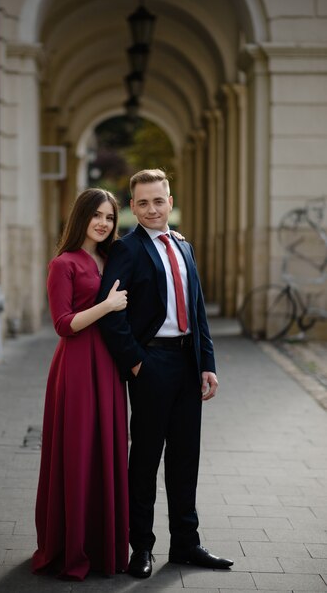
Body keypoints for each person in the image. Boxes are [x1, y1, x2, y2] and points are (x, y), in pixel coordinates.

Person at [98, 169, 233, 578]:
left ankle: (186, 545)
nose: (152, 209)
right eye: (142, 203)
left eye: (158, 201)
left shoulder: (184, 246)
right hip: (152, 363)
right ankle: (140, 547)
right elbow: (111, 315)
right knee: (144, 460)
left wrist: (207, 363)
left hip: (188, 364)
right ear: (133, 206)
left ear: (170, 202)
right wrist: (136, 362)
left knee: (184, 458)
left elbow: (198, 310)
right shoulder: (127, 249)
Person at [32, 188, 129, 581]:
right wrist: (106, 306)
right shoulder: (63, 264)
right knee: (77, 454)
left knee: (107, 452)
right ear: (82, 217)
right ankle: (70, 550)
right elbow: (62, 324)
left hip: (108, 365)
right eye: (97, 215)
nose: (104, 223)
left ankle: (104, 548)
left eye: (109, 217)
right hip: (75, 366)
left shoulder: (111, 258)